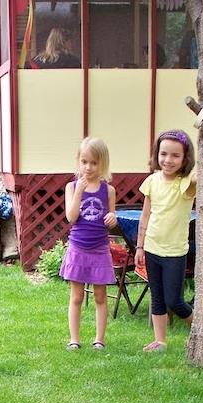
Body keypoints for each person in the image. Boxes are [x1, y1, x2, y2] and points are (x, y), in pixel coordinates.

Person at [135, 130, 196, 352]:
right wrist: (140, 246)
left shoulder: (186, 182)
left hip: (175, 253)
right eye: (163, 154)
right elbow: (145, 216)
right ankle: (160, 340)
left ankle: (200, 332)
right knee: (157, 297)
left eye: (175, 155)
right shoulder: (151, 181)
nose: (168, 160)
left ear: (185, 159)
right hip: (152, 248)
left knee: (174, 301)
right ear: (156, 154)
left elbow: (199, 177)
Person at [59, 137, 117, 351]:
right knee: (77, 296)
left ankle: (99, 339)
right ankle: (74, 339)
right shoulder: (71, 187)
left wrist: (113, 218)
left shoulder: (108, 190)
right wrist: (80, 191)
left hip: (99, 249)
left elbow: (110, 218)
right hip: (78, 247)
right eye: (84, 162)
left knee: (100, 296)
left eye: (94, 163)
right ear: (78, 161)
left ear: (103, 163)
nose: (88, 167)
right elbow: (71, 217)